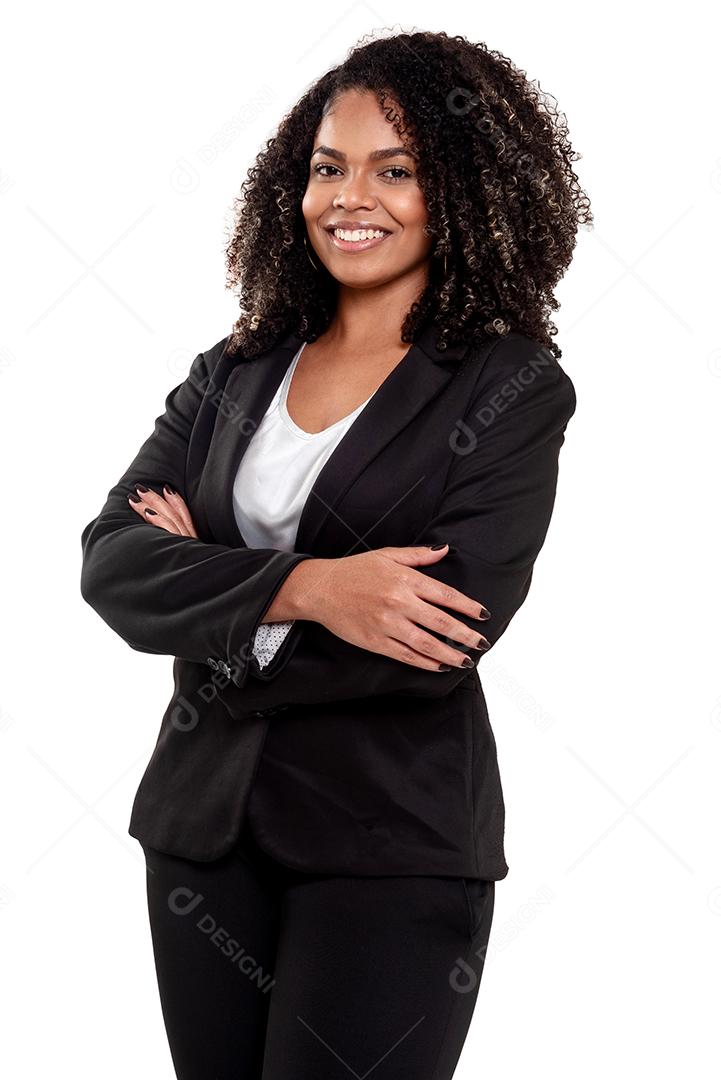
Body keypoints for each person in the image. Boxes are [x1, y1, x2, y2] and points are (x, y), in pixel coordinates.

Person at [79, 29, 590, 1080]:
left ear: (463, 187)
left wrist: (212, 589)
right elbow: (112, 564)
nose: (350, 196)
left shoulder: (506, 386)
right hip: (201, 831)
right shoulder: (233, 370)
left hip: (388, 845)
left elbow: (441, 627)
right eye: (327, 167)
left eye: (395, 170)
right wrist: (311, 586)